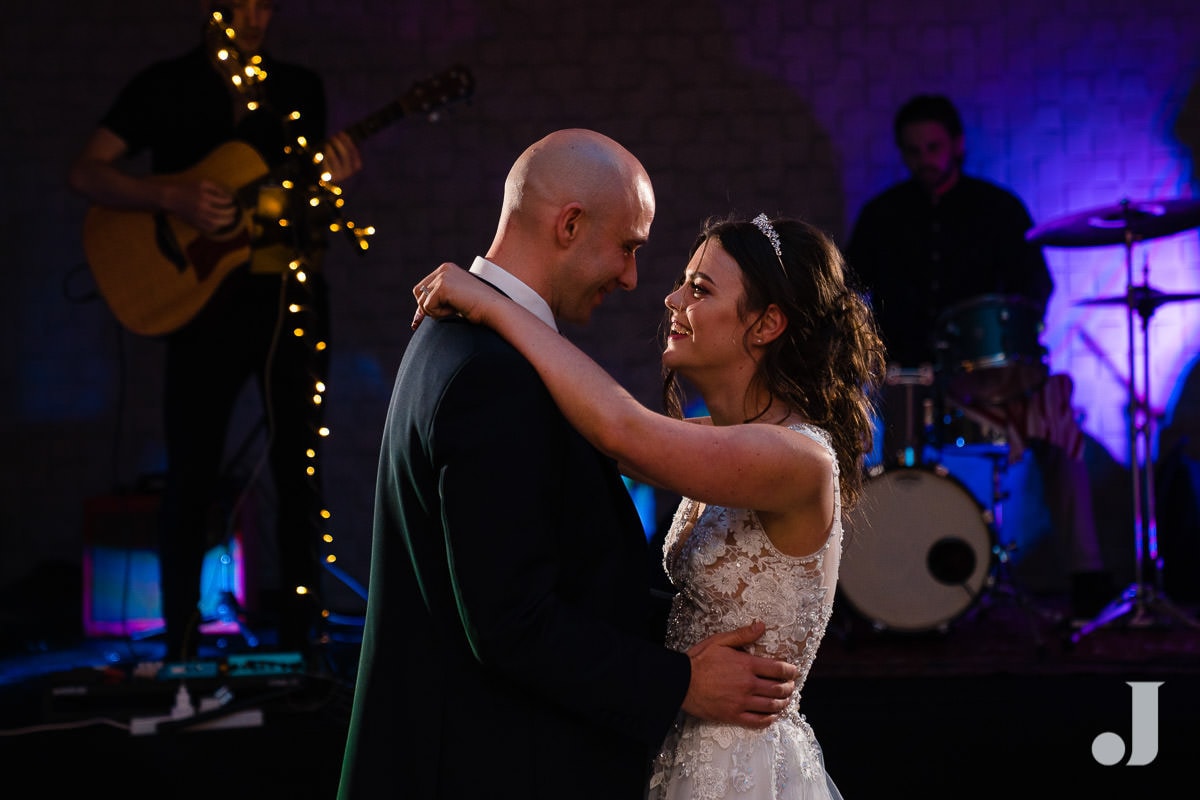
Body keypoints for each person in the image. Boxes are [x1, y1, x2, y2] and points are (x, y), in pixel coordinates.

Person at [337, 130, 812, 800]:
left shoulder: (467, 341)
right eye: (628, 248)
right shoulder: (490, 372)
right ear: (568, 225)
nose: (636, 281)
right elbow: (513, 623)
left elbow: (627, 447)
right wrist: (679, 681)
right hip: (487, 767)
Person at [408, 210, 887, 799]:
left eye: (699, 288)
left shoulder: (796, 459)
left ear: (766, 324)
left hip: (742, 763)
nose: (670, 298)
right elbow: (604, 434)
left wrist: (496, 305)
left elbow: (618, 429)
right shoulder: (714, 438)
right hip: (680, 742)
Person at [67, 0, 363, 660]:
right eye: (241, 2)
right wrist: (168, 195)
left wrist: (329, 182)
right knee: (190, 475)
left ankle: (301, 646)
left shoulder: (297, 88)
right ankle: (179, 645)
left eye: (266, 3)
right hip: (199, 312)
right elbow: (86, 170)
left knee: (298, 477)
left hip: (288, 304)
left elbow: (294, 203)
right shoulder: (164, 84)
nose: (255, 16)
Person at [843, 93, 1112, 617]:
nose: (926, 158)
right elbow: (850, 295)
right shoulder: (882, 217)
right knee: (865, 435)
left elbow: (1036, 289)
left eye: (935, 146)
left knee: (1061, 426)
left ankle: (1087, 573)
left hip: (997, 381)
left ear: (958, 145)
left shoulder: (1000, 208)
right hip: (911, 379)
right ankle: (888, 585)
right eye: (914, 150)